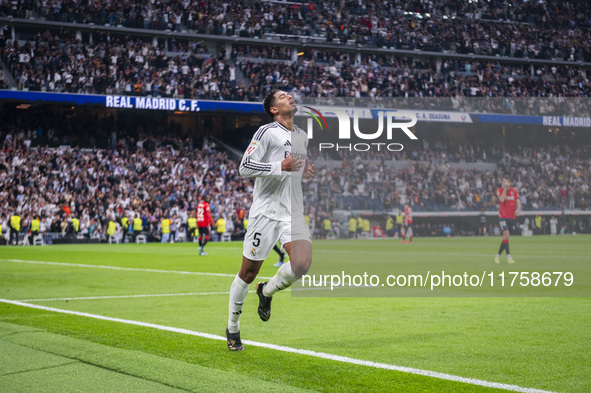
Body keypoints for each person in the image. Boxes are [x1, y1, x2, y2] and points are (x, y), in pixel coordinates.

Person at [226, 89, 315, 351]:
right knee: (248, 273)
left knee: (302, 264)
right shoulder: (266, 132)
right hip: (265, 213)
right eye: (283, 96)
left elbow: (296, 169)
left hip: (292, 212)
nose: (289, 97)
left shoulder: (301, 135)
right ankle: (233, 328)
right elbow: (244, 167)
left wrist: (305, 173)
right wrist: (280, 167)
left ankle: (266, 292)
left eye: (290, 94)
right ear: (274, 109)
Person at [495, 175, 520, 264]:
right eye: (503, 181)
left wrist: (518, 209)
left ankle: (497, 255)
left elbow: (518, 201)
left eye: (507, 181)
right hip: (502, 216)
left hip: (512, 217)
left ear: (510, 182)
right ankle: (509, 257)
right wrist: (505, 189)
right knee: (507, 234)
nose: (505, 183)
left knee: (505, 237)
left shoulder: (514, 191)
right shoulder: (499, 190)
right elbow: (501, 200)